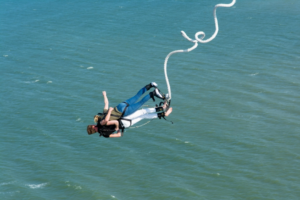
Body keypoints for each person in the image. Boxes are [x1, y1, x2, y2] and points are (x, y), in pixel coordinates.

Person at [87, 82, 173, 137]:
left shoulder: (103, 129)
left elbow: (116, 129)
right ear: (93, 128)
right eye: (92, 126)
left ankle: (154, 96)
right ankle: (150, 85)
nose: (94, 125)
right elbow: (106, 104)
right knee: (137, 97)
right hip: (120, 106)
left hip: (124, 118)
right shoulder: (102, 116)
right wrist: (105, 95)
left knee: (142, 108)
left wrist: (117, 128)